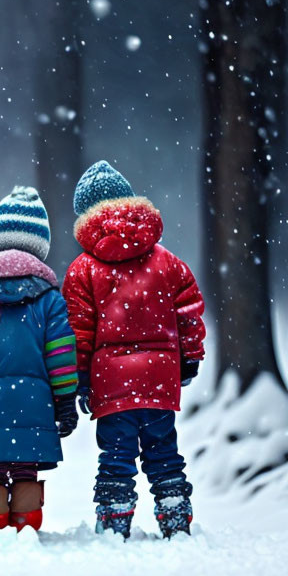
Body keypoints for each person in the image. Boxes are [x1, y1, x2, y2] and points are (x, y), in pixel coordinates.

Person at [62, 161, 205, 538]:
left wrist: (79, 376)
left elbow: (79, 330)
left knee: (116, 455)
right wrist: (189, 357)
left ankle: (114, 520)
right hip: (160, 374)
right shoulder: (168, 262)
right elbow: (188, 310)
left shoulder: (82, 270)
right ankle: (174, 513)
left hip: (110, 379)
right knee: (163, 450)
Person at [0, 186, 78, 531]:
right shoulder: (50, 299)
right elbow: (62, 354)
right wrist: (65, 398)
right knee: (26, 467)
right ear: (41, 247)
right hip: (35, 403)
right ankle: (25, 522)